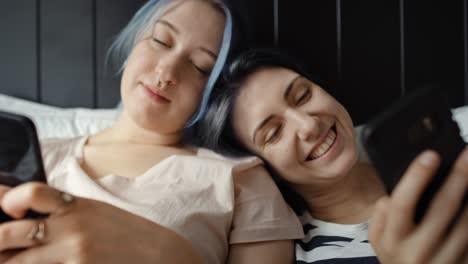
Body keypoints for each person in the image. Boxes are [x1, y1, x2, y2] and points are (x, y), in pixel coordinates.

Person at [0, 3, 303, 264]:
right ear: (135, 43)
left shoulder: (242, 180)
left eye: (200, 67)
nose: (167, 72)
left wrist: (166, 253)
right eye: (161, 40)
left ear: (215, 94)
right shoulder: (34, 155)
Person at [198, 49, 468, 263]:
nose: (309, 125)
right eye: (274, 133)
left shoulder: (445, 146)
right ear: (261, 167)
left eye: (303, 95)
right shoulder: (318, 257)